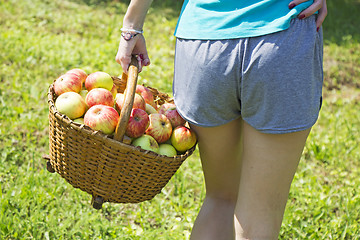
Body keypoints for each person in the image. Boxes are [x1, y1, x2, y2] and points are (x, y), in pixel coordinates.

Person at [116, 0, 328, 239]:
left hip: (205, 43)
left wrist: (132, 25)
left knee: (220, 198)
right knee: (260, 212)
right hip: (282, 37)